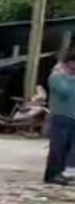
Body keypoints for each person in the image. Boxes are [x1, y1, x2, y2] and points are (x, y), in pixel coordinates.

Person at [44, 51, 75, 186]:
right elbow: (64, 91)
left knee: (70, 148)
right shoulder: (56, 77)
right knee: (58, 147)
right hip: (61, 117)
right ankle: (52, 175)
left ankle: (65, 173)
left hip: (73, 117)